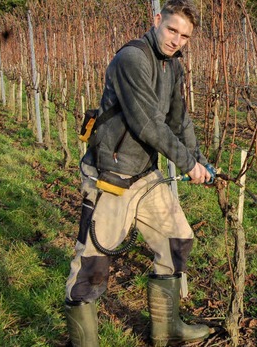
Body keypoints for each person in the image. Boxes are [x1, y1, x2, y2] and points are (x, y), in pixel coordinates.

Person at [64, 1, 213, 346]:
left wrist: (199, 159)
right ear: (157, 20)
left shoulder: (173, 67)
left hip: (145, 174)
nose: (177, 40)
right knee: (91, 267)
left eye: (185, 36)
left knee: (176, 240)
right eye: (172, 30)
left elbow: (179, 121)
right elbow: (147, 124)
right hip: (111, 176)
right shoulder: (132, 58)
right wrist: (186, 164)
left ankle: (167, 331)